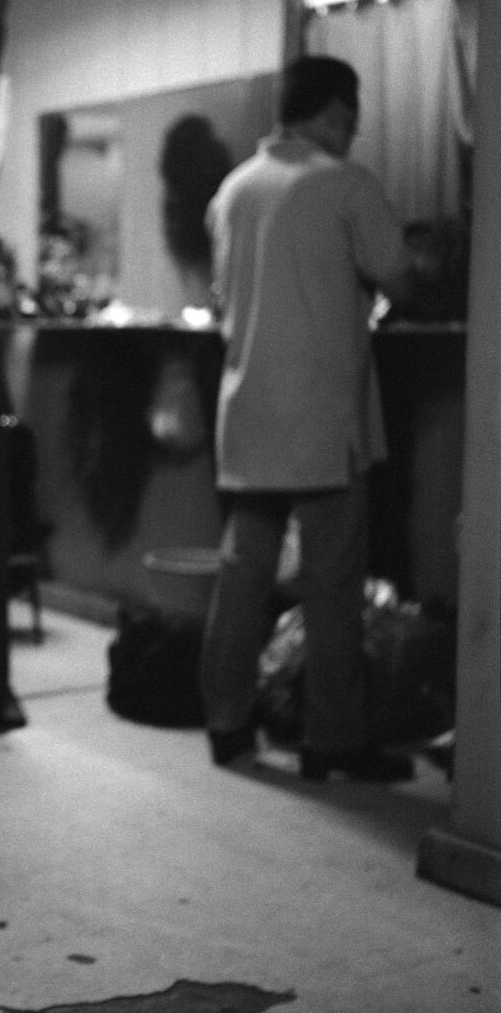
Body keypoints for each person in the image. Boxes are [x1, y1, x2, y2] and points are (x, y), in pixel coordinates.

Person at [200, 54, 416, 783]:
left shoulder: (231, 192)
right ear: (327, 113)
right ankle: (333, 739)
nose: (351, 134)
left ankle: (227, 724)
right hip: (324, 419)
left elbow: (224, 300)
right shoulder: (344, 183)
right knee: (332, 585)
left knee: (242, 574)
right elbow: (400, 276)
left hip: (249, 412)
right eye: (348, 119)